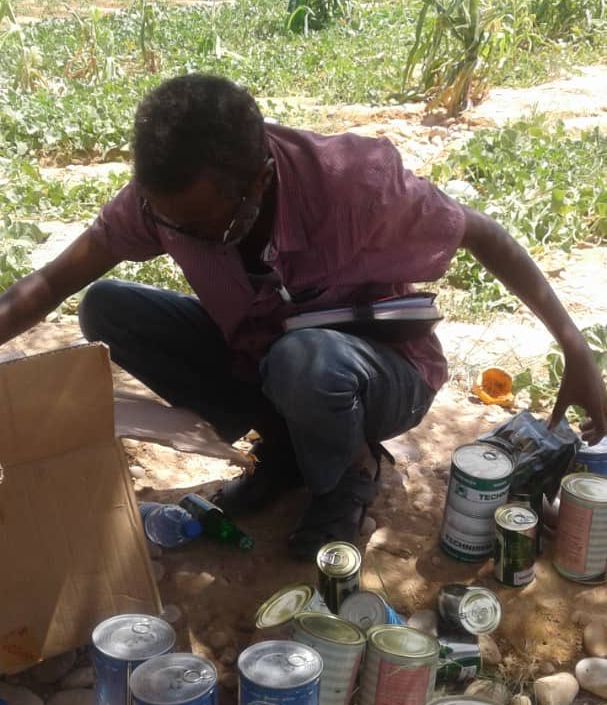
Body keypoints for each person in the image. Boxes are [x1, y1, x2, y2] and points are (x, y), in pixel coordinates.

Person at [0, 73, 605, 561]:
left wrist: (574, 348)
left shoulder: (355, 186)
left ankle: (352, 469)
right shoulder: (164, 202)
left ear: (259, 181)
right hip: (268, 361)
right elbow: (51, 281)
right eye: (166, 221)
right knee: (108, 308)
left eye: (202, 227)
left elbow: (483, 233)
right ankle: (288, 450)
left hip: (382, 375)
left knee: (306, 359)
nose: (181, 235)